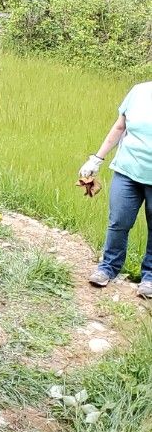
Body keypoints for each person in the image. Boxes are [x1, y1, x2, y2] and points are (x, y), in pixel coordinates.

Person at [80, 79, 152, 296]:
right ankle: (108, 268)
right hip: (127, 170)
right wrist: (96, 159)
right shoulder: (139, 91)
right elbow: (120, 126)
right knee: (118, 220)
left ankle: (149, 276)